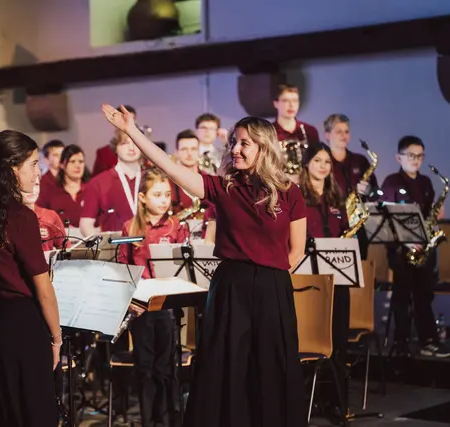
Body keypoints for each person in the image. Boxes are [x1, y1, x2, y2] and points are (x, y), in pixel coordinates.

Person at [102, 104, 308, 427]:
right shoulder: (223, 188)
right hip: (231, 289)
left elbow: (296, 251)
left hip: (273, 289)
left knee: (271, 370)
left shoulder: (289, 193)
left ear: (264, 148)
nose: (235, 149)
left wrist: (270, 282)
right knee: (226, 369)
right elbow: (168, 166)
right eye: (234, 142)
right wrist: (132, 131)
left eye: (244, 143)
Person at [0, 130, 62, 427]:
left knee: (4, 412)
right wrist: (56, 338)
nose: (37, 172)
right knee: (35, 413)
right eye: (32, 164)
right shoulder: (20, 217)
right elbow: (42, 287)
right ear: (12, 168)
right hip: (24, 326)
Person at [117, 168, 188, 427]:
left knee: (166, 367)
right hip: (142, 308)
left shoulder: (176, 226)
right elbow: (123, 266)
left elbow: (184, 265)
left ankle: (167, 420)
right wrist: (131, 298)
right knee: (145, 366)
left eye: (167, 194)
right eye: (157, 194)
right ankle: (149, 421)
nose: (164, 200)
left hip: (168, 306)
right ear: (143, 198)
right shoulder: (130, 227)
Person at [379, 136, 450, 358]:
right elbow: (386, 216)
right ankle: (401, 342)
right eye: (411, 155)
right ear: (398, 157)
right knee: (402, 296)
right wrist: (406, 240)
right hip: (400, 250)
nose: (416, 160)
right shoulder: (391, 181)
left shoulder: (426, 182)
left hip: (423, 248)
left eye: (420, 155)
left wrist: (437, 214)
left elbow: (429, 215)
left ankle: (428, 340)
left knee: (423, 295)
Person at [298, 143, 350, 418]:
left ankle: (337, 403)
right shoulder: (296, 196)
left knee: (338, 344)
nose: (322, 166)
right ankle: (303, 401)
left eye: (327, 162)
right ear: (307, 163)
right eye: (317, 160)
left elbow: (347, 235)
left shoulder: (337, 199)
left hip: (338, 281)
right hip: (307, 283)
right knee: (306, 343)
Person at [324, 113, 378, 259]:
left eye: (346, 131)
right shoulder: (321, 161)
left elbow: (377, 193)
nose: (344, 135)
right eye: (338, 131)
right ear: (327, 135)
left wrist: (369, 191)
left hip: (357, 226)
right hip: (330, 225)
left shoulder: (360, 161)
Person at [79, 130, 142, 236]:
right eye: (125, 143)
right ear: (115, 147)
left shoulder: (152, 179)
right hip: (114, 244)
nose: (131, 148)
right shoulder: (98, 183)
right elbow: (86, 225)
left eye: (136, 142)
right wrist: (103, 244)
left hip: (149, 244)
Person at [272, 84, 320, 184]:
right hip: (278, 186)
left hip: (307, 187)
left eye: (295, 100)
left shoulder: (310, 131)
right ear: (275, 103)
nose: (291, 105)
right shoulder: (269, 132)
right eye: (285, 100)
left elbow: (317, 162)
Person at [37, 144, 90, 228]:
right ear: (62, 164)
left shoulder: (91, 191)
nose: (77, 166)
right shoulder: (51, 193)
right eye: (72, 161)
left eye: (81, 161)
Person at [92, 105, 137, 177]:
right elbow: (97, 178)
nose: (129, 124)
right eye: (125, 119)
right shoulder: (104, 153)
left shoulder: (143, 149)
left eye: (132, 120)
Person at [23, 181, 66, 251]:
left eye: (36, 184)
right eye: (26, 184)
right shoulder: (6, 216)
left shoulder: (50, 216)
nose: (32, 189)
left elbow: (65, 247)